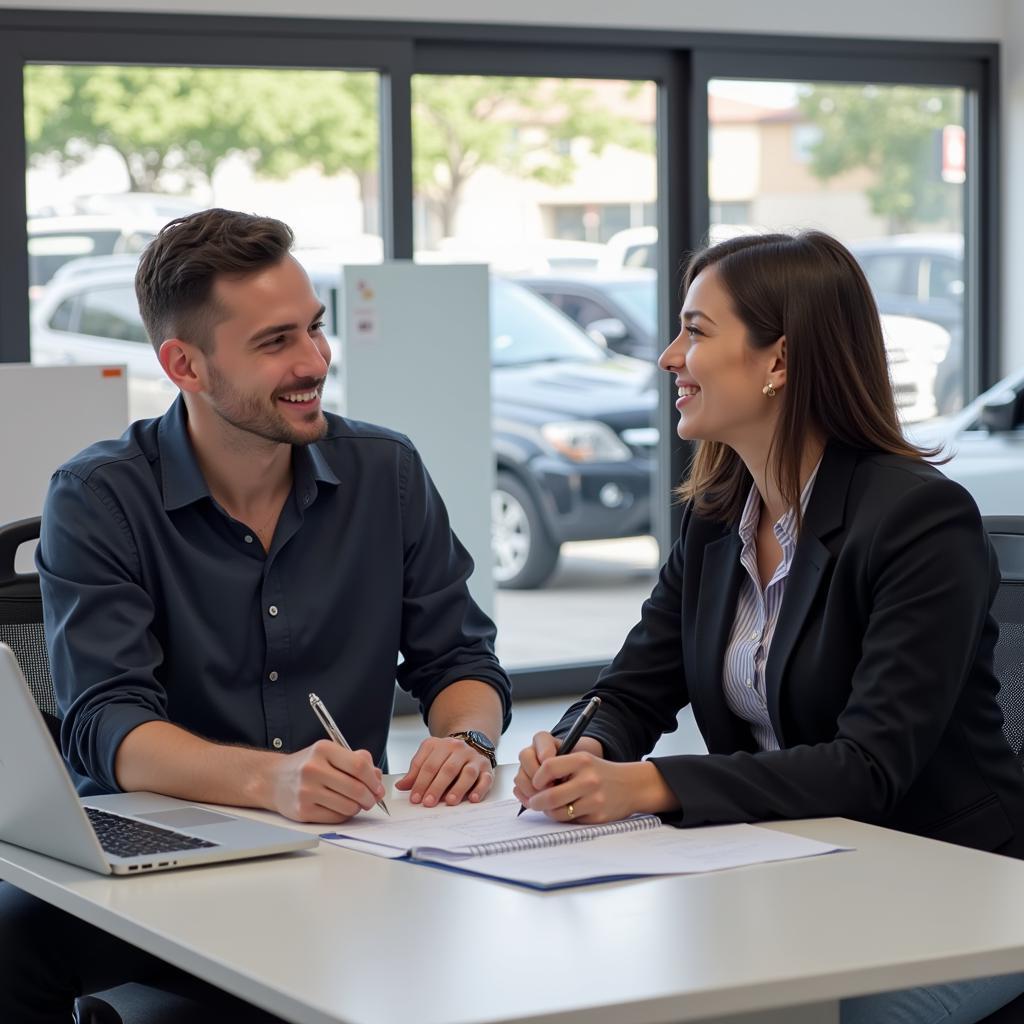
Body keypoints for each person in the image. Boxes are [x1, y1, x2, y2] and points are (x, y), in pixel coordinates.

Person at [0, 207, 511, 1022]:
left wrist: (467, 739)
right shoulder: (99, 497)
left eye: (314, 328)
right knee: (9, 943)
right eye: (276, 343)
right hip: (166, 862)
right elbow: (109, 723)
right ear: (185, 365)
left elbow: (461, 663)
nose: (315, 360)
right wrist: (271, 779)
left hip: (346, 858)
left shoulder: (388, 472)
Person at [514, 230, 1024, 1024]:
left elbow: (868, 769)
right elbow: (632, 689)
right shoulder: (717, 520)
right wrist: (585, 751)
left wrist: (648, 784)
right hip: (792, 875)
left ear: (778, 362)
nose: (669, 357)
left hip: (952, 889)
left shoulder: (919, 520)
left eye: (697, 330)